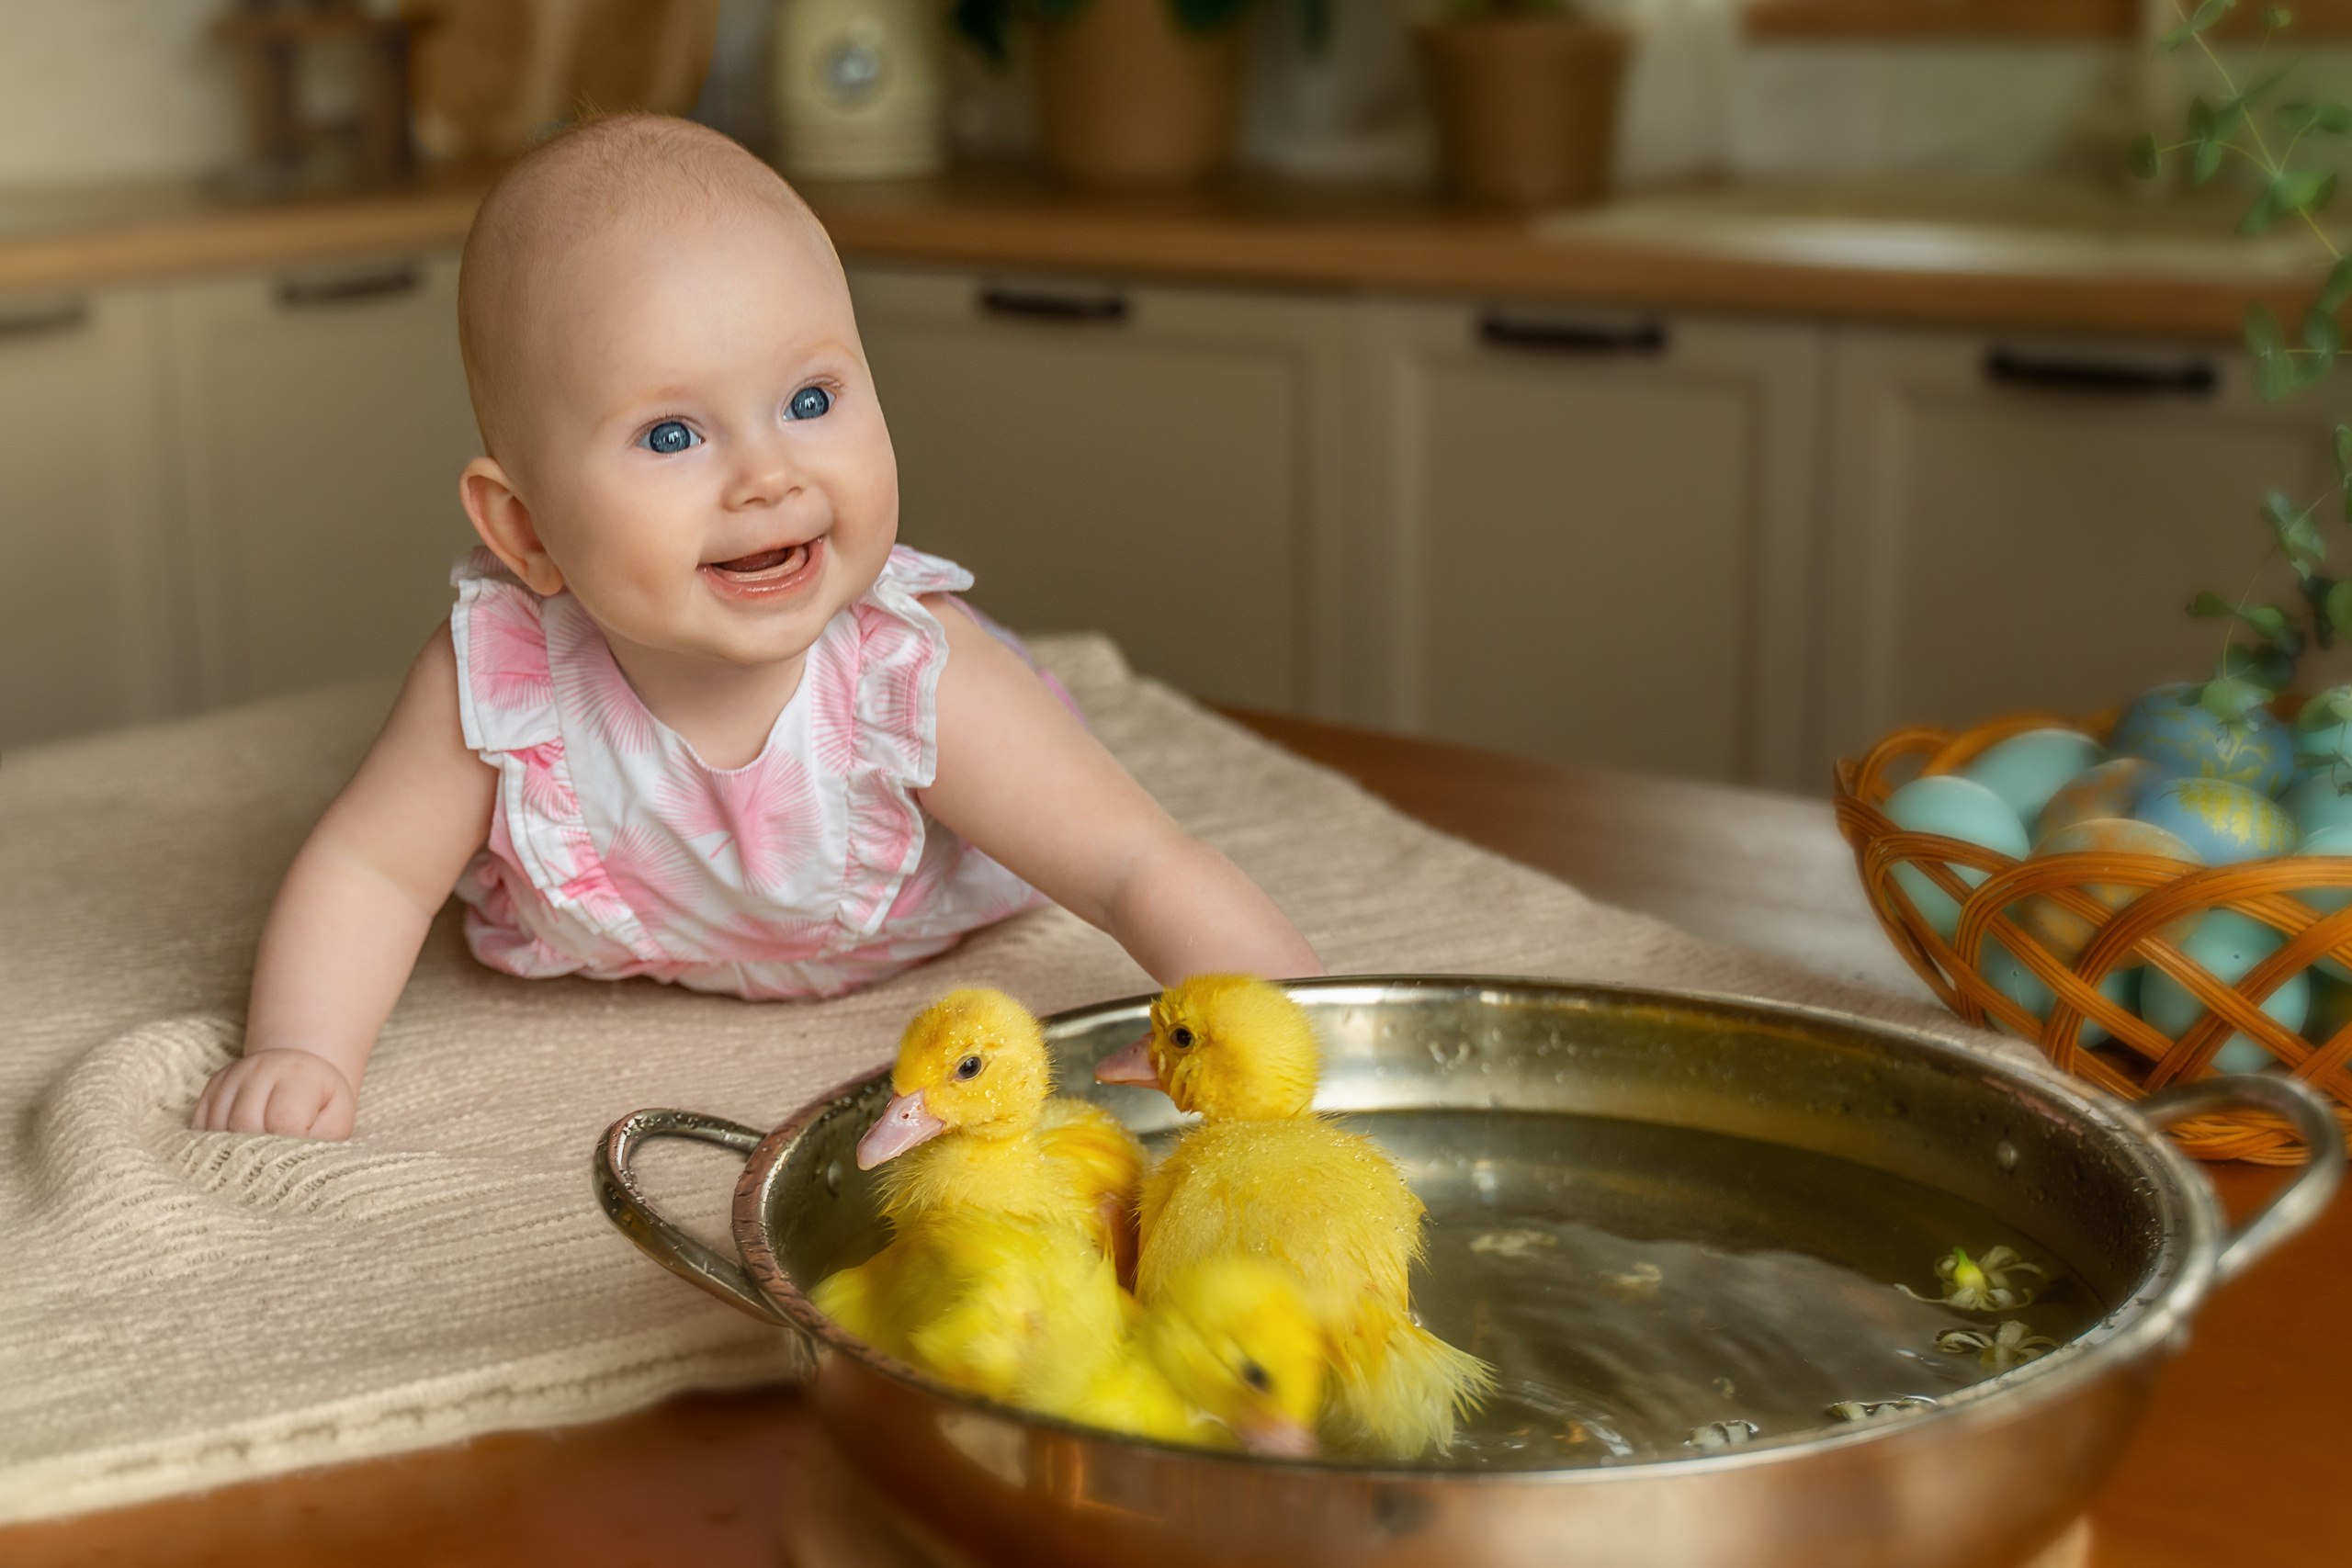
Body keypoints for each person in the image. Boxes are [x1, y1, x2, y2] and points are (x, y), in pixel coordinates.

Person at [191, 115, 1321, 1142]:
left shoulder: (907, 674)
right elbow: (371, 869)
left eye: (812, 401)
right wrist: (301, 1049)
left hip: (905, 911)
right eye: (673, 436)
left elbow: (1135, 865)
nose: (769, 476)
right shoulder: (494, 686)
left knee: (1058, 774)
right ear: (524, 528)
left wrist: (1292, 1045)